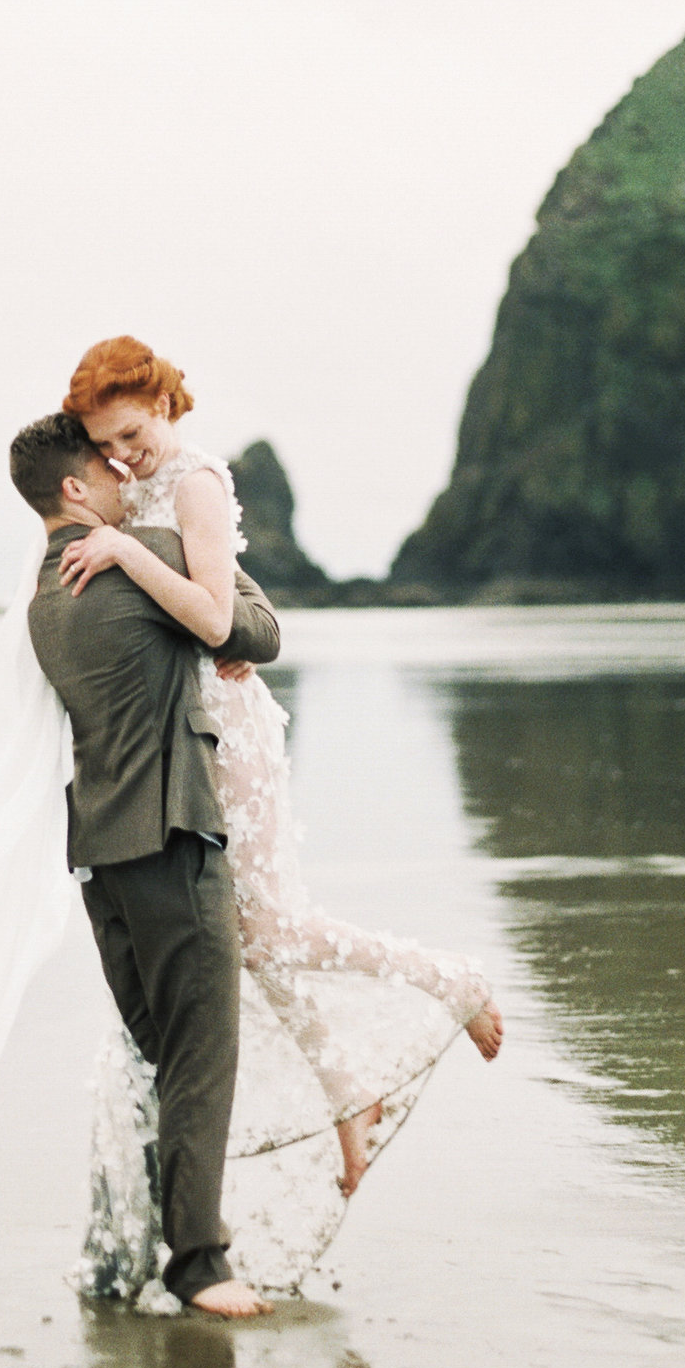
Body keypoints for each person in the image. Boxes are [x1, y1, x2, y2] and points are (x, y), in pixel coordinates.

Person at [54, 337, 505, 1203]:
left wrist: (123, 554)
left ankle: (452, 981)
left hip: (231, 735)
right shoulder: (141, 488)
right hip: (185, 737)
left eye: (133, 430)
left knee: (274, 930)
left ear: (165, 401)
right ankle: (350, 1096)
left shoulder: (195, 483)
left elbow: (219, 618)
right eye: (107, 442)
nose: (123, 452)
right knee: (253, 943)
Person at [14, 410, 287, 1320]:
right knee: (201, 1054)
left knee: (154, 1059)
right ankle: (199, 1262)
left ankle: (127, 1245)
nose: (129, 472)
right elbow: (256, 628)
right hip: (172, 838)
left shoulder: (42, 602)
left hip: (101, 858)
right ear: (75, 490)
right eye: (108, 463)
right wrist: (152, 553)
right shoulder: (145, 553)